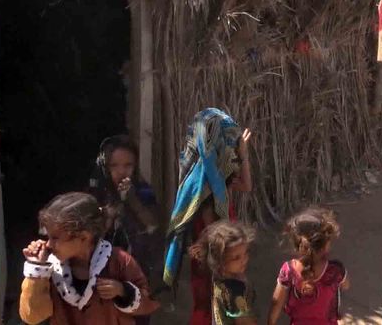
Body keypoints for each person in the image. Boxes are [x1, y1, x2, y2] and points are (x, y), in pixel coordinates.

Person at [161, 108, 252, 324]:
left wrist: (244, 155)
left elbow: (246, 186)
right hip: (211, 255)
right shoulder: (202, 184)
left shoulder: (220, 173)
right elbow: (213, 233)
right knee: (210, 301)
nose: (232, 145)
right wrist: (226, 263)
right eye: (227, 139)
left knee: (219, 301)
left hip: (224, 251)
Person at [18, 192, 159, 324]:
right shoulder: (51, 269)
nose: (48, 244)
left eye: (55, 238)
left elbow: (148, 304)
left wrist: (123, 291)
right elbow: (32, 317)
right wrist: (37, 271)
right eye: (48, 237)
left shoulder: (120, 262)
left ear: (84, 237)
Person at [86, 135, 159, 271]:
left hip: (136, 266)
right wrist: (108, 214)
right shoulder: (96, 193)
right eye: (114, 165)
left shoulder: (143, 191)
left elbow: (153, 225)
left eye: (128, 165)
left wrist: (133, 200)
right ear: (105, 167)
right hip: (100, 267)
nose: (121, 171)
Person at [268, 207, 349, 325]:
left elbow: (276, 303)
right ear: (325, 246)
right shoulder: (336, 271)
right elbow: (345, 285)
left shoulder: (288, 270)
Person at [190, 221, 258, 325]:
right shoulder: (234, 290)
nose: (244, 259)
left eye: (246, 252)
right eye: (236, 258)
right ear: (221, 262)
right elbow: (244, 321)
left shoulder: (218, 277)